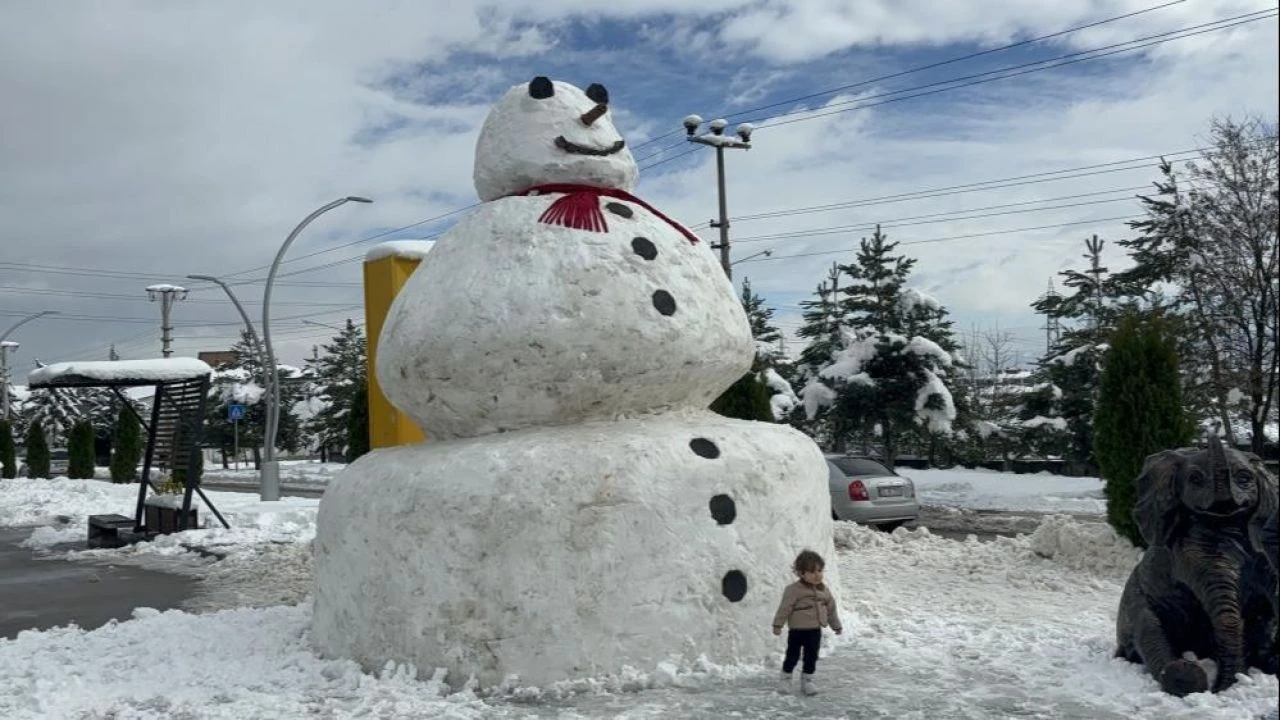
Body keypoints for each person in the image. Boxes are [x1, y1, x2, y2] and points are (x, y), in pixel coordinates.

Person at [772, 549, 843, 695]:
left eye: (820, 570)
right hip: (797, 631)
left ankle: (807, 680)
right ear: (801, 573)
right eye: (812, 572)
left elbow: (831, 609)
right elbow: (784, 608)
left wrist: (836, 626)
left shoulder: (824, 591)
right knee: (793, 655)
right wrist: (777, 624)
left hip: (815, 630)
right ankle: (786, 678)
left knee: (811, 656)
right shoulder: (793, 590)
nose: (818, 575)